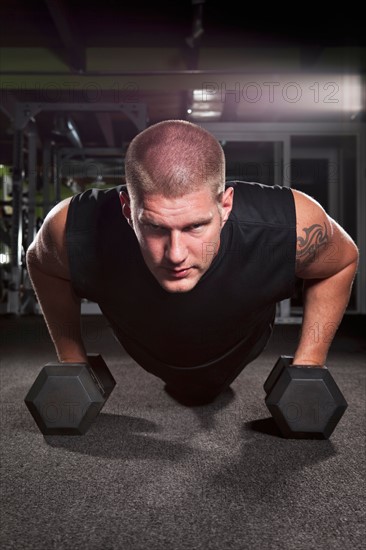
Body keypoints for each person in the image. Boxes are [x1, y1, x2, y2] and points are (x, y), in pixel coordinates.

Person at [26, 120, 359, 405]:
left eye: (195, 226)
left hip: (241, 345)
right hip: (147, 347)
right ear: (128, 210)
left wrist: (309, 365)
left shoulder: (286, 225)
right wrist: (72, 359)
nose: (175, 254)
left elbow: (341, 262)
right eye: (155, 227)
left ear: (225, 205)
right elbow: (41, 264)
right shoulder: (75, 229)